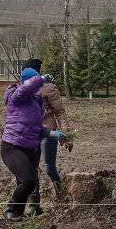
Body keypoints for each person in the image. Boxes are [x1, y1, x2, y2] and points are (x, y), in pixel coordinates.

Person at [1, 64, 64, 221]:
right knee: (28, 180)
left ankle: (18, 213)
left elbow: (38, 128)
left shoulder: (37, 103)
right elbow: (25, 89)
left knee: (30, 181)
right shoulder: (16, 96)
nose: (39, 88)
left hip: (29, 148)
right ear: (28, 82)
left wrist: (56, 134)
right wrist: (40, 78)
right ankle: (11, 210)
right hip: (12, 147)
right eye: (37, 84)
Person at [29, 64, 70, 213]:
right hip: (31, 133)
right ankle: (34, 205)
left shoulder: (49, 88)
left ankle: (62, 196)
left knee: (49, 167)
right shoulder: (25, 89)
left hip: (48, 133)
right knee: (31, 168)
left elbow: (60, 112)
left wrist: (66, 134)